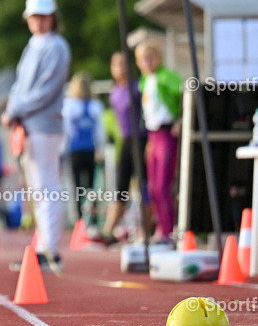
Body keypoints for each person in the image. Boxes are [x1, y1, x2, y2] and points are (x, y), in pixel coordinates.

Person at [2, 0, 71, 269]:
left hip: (43, 125)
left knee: (46, 187)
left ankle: (50, 249)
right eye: (34, 17)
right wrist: (12, 110)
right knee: (37, 189)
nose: (39, 21)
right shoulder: (33, 45)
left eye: (43, 16)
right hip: (28, 126)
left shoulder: (56, 47)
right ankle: (41, 246)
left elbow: (44, 90)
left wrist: (15, 110)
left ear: (52, 17)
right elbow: (20, 85)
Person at [95, 51, 149, 245]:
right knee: (120, 187)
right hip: (125, 142)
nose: (120, 67)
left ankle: (146, 231)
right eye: (116, 64)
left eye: (123, 63)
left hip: (141, 139)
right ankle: (108, 231)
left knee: (144, 186)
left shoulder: (137, 88)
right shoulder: (115, 92)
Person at [135, 41, 183, 244]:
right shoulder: (144, 81)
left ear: (158, 57)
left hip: (166, 133)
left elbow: (187, 94)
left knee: (163, 185)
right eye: (142, 59)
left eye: (149, 57)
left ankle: (169, 230)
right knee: (152, 187)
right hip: (152, 135)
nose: (146, 63)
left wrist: (181, 119)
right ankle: (160, 229)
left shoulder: (167, 77)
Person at [62, 72, 105, 222]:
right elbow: (100, 131)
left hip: (76, 149)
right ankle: (92, 219)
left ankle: (80, 220)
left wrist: (63, 148)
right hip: (90, 149)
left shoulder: (69, 105)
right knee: (91, 187)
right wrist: (101, 148)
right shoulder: (95, 106)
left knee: (77, 186)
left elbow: (67, 130)